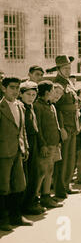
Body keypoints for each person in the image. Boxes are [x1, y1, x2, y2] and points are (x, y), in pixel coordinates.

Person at [0, 77, 32, 230]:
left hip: (17, 151)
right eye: (12, 87)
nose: (15, 91)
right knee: (3, 187)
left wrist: (24, 147)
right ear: (3, 88)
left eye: (17, 88)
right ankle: (3, 219)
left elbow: (22, 130)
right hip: (3, 153)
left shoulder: (20, 106)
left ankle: (16, 216)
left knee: (19, 185)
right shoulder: (1, 107)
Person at [48, 55, 80, 197]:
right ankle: (60, 189)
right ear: (59, 69)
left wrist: (77, 124)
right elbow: (56, 109)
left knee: (71, 157)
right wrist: (62, 128)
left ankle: (67, 184)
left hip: (73, 124)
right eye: (65, 68)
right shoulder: (57, 84)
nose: (68, 70)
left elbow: (75, 106)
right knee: (63, 159)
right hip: (65, 126)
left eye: (69, 68)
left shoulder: (69, 83)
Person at [34, 81, 63, 209]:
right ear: (46, 92)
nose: (54, 94)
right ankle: (35, 197)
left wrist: (58, 142)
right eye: (52, 91)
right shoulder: (38, 106)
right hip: (46, 145)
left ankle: (46, 196)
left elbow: (55, 125)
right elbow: (38, 128)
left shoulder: (51, 106)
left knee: (49, 170)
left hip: (54, 143)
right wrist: (43, 144)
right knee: (42, 171)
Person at [19, 81, 46, 215]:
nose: (31, 97)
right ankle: (25, 205)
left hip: (33, 141)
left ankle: (31, 202)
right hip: (25, 142)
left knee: (35, 174)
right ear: (21, 94)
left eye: (34, 95)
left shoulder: (31, 107)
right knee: (26, 175)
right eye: (28, 94)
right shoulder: (21, 108)